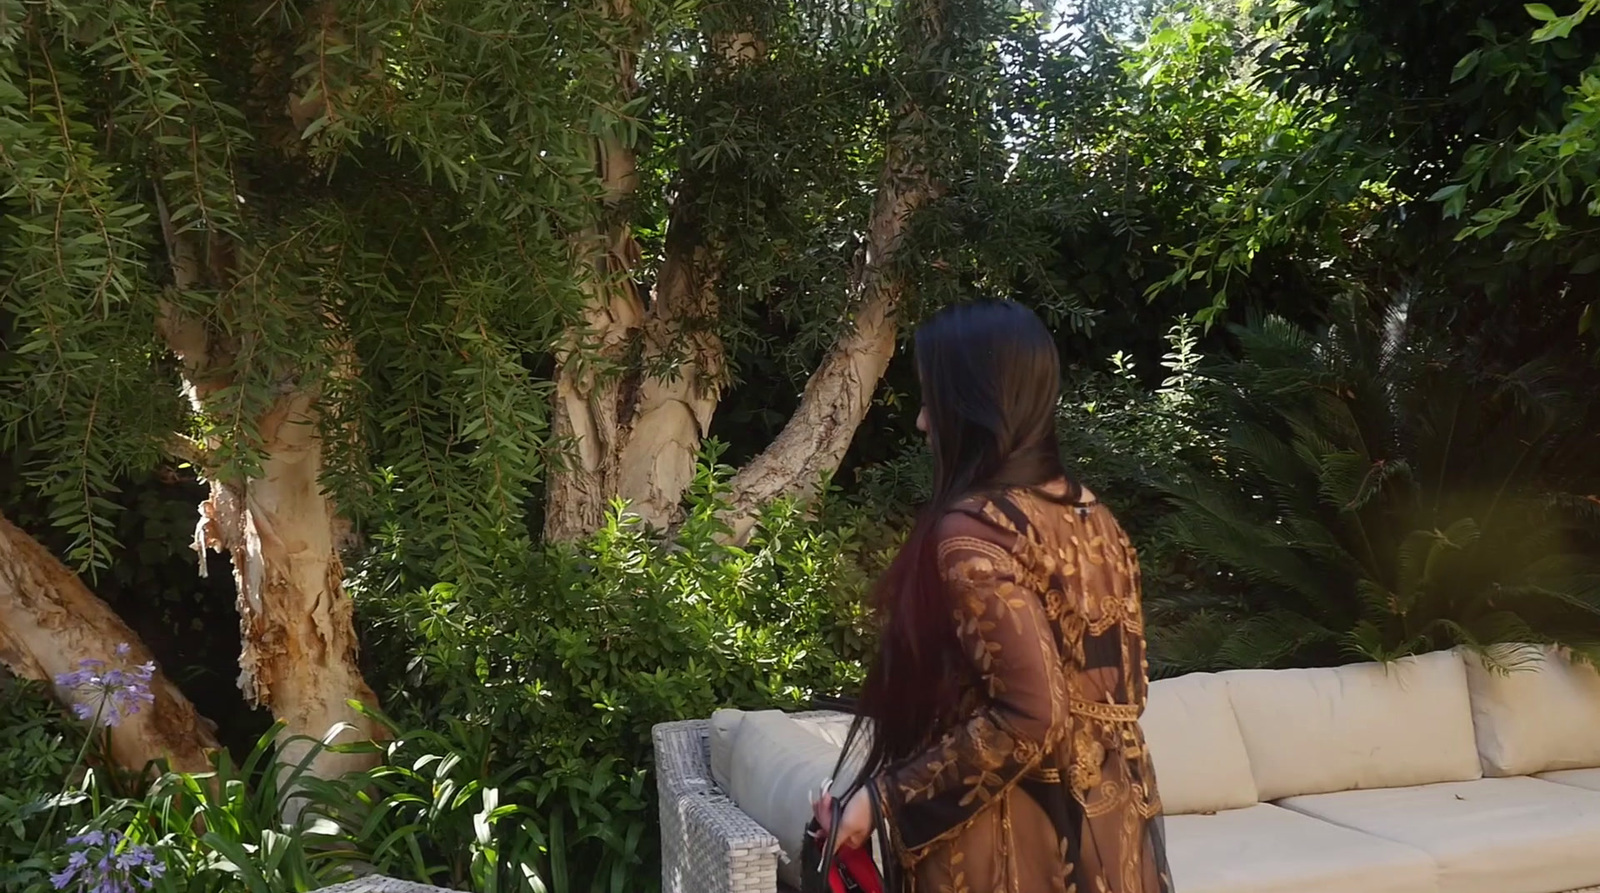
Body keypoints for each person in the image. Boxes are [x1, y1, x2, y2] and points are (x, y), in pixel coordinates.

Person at [819, 300, 1173, 893]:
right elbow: (1124, 695)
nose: (923, 423)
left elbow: (1033, 716)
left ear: (974, 405)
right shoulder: (1097, 518)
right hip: (1111, 835)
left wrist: (879, 800)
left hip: (1010, 847)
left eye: (933, 399)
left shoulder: (972, 533)